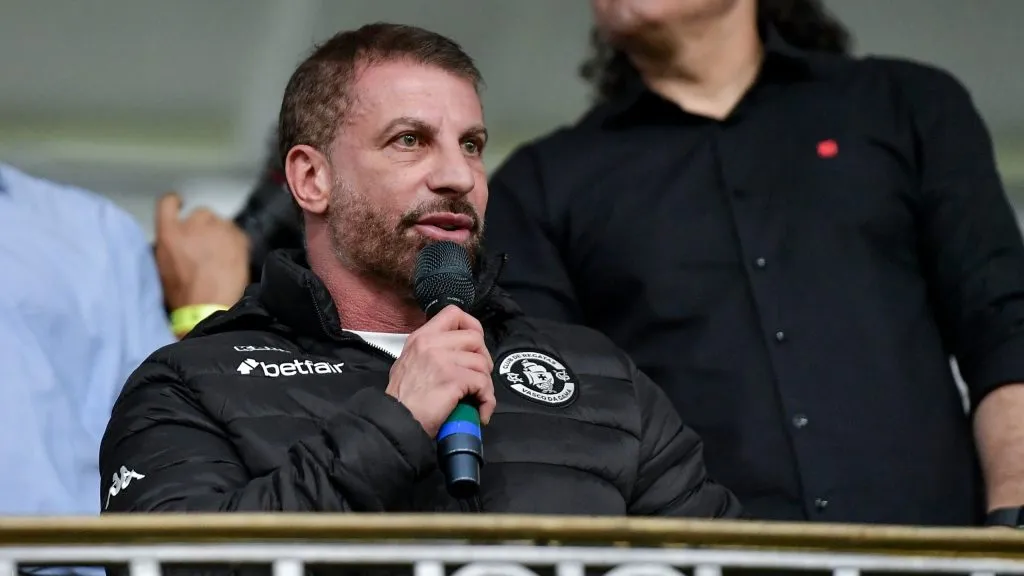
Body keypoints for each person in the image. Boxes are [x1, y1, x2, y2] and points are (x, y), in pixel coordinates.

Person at [98, 23, 742, 518]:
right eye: (410, 140)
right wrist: (394, 422)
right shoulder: (188, 383)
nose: (458, 175)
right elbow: (179, 561)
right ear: (312, 178)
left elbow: (724, 559)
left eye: (472, 145)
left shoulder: (601, 376)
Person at [483, 0, 1024, 527]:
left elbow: (1004, 327)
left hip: (935, 555)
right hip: (697, 562)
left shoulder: (905, 105)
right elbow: (546, 413)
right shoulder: (540, 184)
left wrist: (1012, 528)